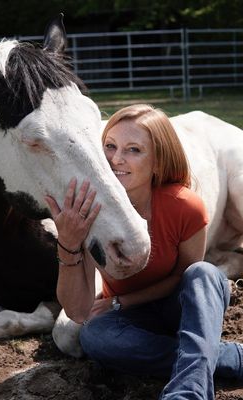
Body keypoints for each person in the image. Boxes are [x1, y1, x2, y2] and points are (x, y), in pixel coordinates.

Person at [45, 104, 243, 400]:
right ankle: (226, 358)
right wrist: (69, 242)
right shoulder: (89, 210)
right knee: (94, 336)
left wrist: (120, 302)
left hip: (182, 308)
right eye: (110, 146)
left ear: (158, 162)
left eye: (133, 150)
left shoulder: (185, 205)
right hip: (132, 320)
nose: (116, 159)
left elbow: (186, 279)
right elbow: (76, 310)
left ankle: (188, 392)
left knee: (204, 273)